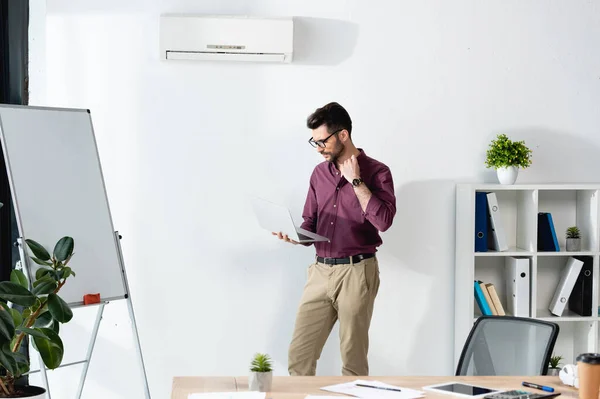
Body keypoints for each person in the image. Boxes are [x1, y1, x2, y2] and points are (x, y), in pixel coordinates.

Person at [273, 102, 397, 376]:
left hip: (357, 271)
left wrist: (356, 181)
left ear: (343, 135)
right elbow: (310, 222)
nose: (318, 149)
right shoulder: (319, 174)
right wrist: (296, 237)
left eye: (322, 141)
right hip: (320, 271)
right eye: (314, 142)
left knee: (352, 360)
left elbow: (384, 222)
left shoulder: (377, 172)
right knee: (299, 355)